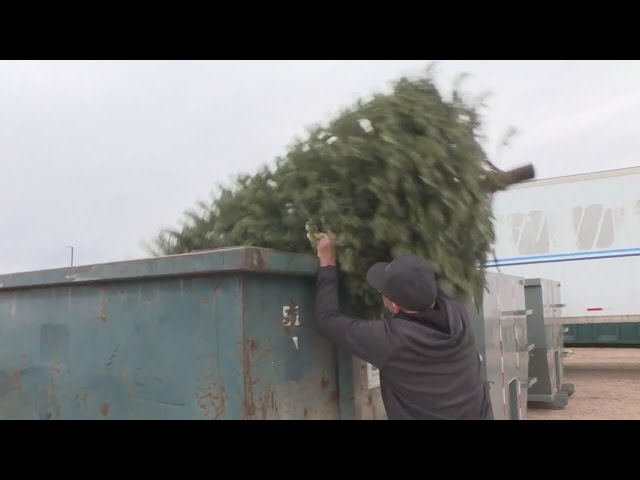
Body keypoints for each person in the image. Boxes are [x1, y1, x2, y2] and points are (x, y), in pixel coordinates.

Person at [313, 231, 493, 420]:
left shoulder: (390, 341)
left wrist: (327, 264)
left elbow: (326, 319)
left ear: (394, 305)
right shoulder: (458, 312)